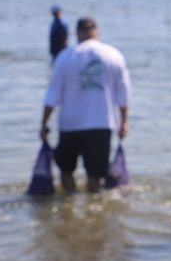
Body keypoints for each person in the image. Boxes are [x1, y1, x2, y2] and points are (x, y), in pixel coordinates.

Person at [40, 17, 131, 193]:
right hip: (102, 124)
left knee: (66, 171)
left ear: (77, 33)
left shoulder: (65, 56)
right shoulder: (113, 55)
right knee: (95, 176)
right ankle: (95, 212)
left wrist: (44, 123)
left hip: (70, 125)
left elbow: (52, 95)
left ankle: (68, 207)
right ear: (97, 32)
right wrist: (124, 121)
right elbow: (124, 93)